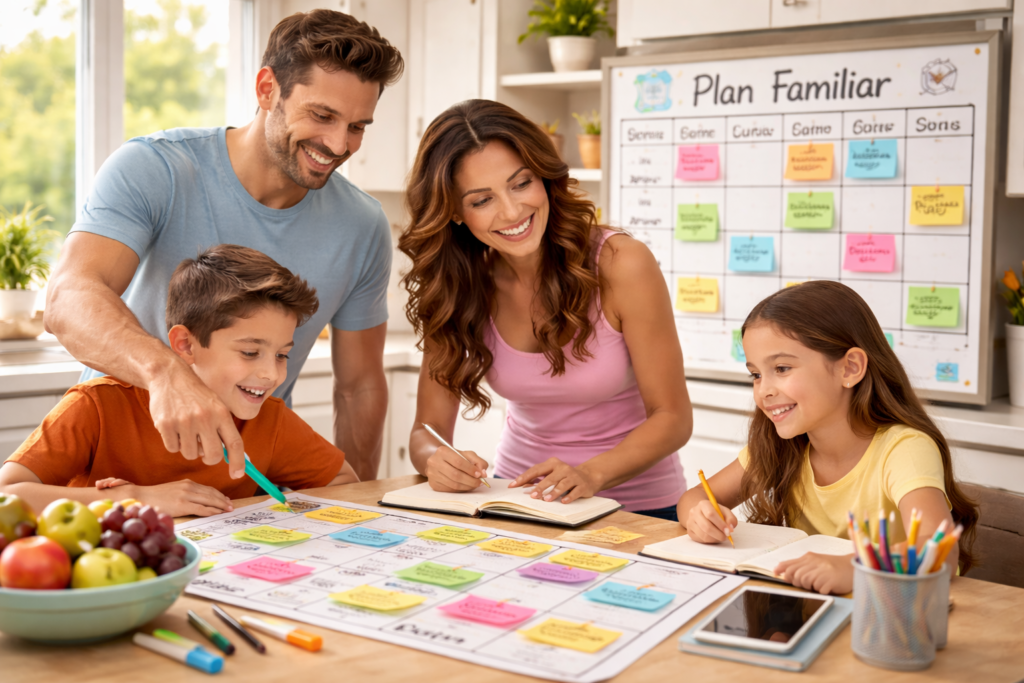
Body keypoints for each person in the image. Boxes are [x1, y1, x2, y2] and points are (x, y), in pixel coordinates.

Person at [43, 10, 404, 482]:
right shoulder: (156, 169)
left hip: (242, 484)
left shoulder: (363, 224)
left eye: (358, 126)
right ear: (267, 89)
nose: (339, 144)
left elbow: (359, 387)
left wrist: (361, 504)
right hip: (116, 476)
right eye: (322, 115)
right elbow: (68, 298)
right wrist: (164, 373)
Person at [399, 100, 693, 519]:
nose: (513, 211)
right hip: (518, 502)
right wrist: (435, 459)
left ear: (544, 176)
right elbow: (425, 431)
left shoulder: (621, 263)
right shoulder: (458, 285)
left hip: (639, 508)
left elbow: (673, 417)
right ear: (455, 214)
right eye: (482, 200)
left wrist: (590, 474)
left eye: (521, 184)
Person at [0, 245, 359, 517]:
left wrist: (256, 511)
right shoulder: (97, 406)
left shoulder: (270, 421)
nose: (271, 374)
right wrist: (136, 499)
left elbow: (346, 484)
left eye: (282, 354)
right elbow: (7, 496)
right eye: (251, 352)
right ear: (185, 344)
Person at [677, 281, 979, 594]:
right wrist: (701, 517)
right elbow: (692, 498)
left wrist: (855, 567)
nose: (764, 390)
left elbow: (939, 550)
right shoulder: (780, 446)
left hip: (899, 618)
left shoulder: (904, 448)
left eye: (781, 368)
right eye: (756, 374)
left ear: (850, 368)